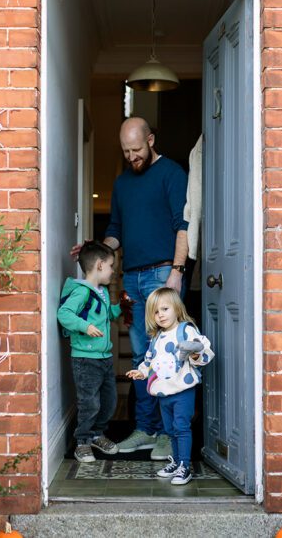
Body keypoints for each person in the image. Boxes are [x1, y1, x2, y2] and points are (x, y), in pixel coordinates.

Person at [73, 116, 189, 460]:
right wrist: (97, 249)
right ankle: (146, 430)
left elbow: (182, 226)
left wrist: (177, 272)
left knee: (168, 356)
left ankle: (169, 434)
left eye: (136, 150)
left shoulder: (172, 174)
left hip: (162, 274)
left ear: (151, 140)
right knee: (141, 358)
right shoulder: (123, 183)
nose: (131, 157)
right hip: (133, 278)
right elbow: (117, 229)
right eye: (126, 151)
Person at [127, 287, 213, 485]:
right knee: (170, 429)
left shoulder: (186, 330)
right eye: (156, 312)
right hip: (163, 392)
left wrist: (194, 353)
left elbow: (203, 350)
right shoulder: (156, 337)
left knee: (181, 427)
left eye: (165, 309)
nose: (160, 315)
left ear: (176, 307)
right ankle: (176, 462)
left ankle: (185, 465)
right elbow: (149, 361)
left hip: (182, 391)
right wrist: (142, 372)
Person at [57, 241, 122, 463]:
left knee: (109, 401)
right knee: (90, 403)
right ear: (100, 265)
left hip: (104, 358)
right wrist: (85, 327)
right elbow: (64, 314)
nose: (113, 270)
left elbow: (108, 317)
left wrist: (120, 305)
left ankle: (97, 434)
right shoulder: (82, 292)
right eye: (111, 265)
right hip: (85, 359)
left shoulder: (101, 292)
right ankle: (82, 441)